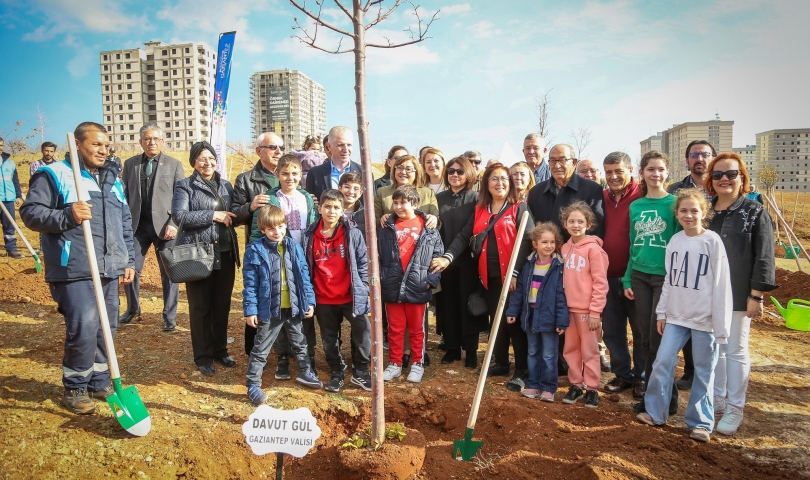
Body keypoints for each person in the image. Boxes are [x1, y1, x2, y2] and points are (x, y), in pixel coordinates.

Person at [20, 122, 135, 414]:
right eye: (96, 144)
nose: (103, 150)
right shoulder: (55, 174)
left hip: (108, 267)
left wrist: (128, 260)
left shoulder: (113, 180)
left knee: (107, 326)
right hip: (74, 267)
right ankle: (75, 387)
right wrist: (68, 215)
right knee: (83, 326)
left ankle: (98, 379)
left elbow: (124, 223)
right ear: (79, 144)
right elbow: (31, 213)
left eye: (106, 145)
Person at [637, 189, 732, 443]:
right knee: (662, 362)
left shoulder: (712, 242)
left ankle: (700, 422)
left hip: (704, 320)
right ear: (676, 214)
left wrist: (720, 324)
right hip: (676, 317)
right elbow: (669, 280)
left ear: (704, 213)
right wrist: (662, 312)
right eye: (683, 211)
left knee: (703, 370)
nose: (689, 215)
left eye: (694, 211)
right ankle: (656, 412)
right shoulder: (675, 241)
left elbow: (722, 284)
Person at [431, 163, 534, 391]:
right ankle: (501, 363)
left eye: (504, 178)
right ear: (486, 183)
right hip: (487, 276)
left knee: (511, 321)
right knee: (495, 320)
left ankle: (522, 370)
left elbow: (528, 241)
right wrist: (448, 257)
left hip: (512, 277)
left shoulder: (520, 207)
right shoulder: (481, 210)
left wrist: (515, 272)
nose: (500, 183)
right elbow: (463, 236)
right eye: (494, 179)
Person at [705, 153, 777, 436]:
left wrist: (756, 295)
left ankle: (736, 407)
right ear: (710, 180)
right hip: (708, 294)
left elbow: (765, 256)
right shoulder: (706, 210)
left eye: (731, 174)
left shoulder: (754, 211)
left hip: (738, 294)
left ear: (742, 178)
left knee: (735, 350)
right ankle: (718, 402)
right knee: (716, 351)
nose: (724, 179)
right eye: (718, 174)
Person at [527, 143, 605, 374]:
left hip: (579, 267)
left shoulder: (591, 189)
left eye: (563, 160)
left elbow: (597, 228)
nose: (558, 165)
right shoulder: (536, 192)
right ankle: (559, 365)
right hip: (548, 265)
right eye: (553, 160)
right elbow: (534, 231)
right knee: (554, 311)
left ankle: (587, 371)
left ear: (574, 161)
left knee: (581, 323)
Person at [171, 141, 239, 377]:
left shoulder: (226, 186)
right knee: (200, 308)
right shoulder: (185, 186)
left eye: (211, 158)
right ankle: (203, 356)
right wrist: (213, 215)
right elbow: (180, 217)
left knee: (222, 306)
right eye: (202, 158)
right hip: (198, 254)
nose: (207, 163)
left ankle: (220, 350)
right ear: (193, 162)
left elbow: (235, 214)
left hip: (225, 254)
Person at [622, 150, 681, 415]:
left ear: (667, 172)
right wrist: (627, 277)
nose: (655, 174)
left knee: (659, 340)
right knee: (644, 339)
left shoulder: (674, 204)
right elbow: (633, 244)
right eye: (650, 170)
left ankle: (667, 398)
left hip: (664, 279)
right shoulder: (636, 206)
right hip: (640, 277)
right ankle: (654, 393)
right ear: (642, 173)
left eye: (660, 169)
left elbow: (680, 246)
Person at [244, 205, 321, 405]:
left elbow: (304, 276)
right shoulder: (255, 250)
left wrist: (309, 300)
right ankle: (253, 384)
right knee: (261, 347)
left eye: (280, 226)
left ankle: (306, 372)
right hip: (270, 309)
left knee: (300, 341)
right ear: (262, 230)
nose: (276, 231)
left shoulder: (294, 247)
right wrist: (250, 309)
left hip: (294, 306)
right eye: (271, 229)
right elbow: (250, 283)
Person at [303, 189, 372, 393]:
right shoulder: (310, 235)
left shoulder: (352, 233)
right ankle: (337, 370)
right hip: (323, 298)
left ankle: (360, 370)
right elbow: (306, 266)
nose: (331, 211)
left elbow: (362, 262)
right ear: (320, 208)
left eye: (336, 207)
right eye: (327, 207)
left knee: (363, 330)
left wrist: (364, 287)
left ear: (343, 210)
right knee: (329, 338)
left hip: (350, 296)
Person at [119, 124, 185, 330]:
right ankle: (132, 308)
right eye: (147, 139)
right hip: (137, 226)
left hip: (166, 227)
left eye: (156, 139)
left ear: (162, 141)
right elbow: (124, 196)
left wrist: (174, 223)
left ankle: (169, 316)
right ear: (140, 142)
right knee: (130, 268)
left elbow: (181, 197)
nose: (151, 142)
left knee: (170, 272)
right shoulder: (130, 165)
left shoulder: (174, 165)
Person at [379, 185, 444, 383]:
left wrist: (430, 281)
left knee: (417, 329)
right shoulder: (386, 228)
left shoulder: (428, 229)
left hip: (418, 284)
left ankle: (417, 362)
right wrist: (383, 278)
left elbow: (438, 256)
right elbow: (378, 255)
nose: (398, 206)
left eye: (403, 202)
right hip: (392, 284)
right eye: (395, 202)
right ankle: (395, 363)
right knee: (395, 328)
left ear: (415, 204)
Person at [666, 140, 715, 389]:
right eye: (694, 154)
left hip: (711, 259)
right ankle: (689, 371)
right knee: (685, 316)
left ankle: (710, 374)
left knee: (707, 322)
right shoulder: (675, 190)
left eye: (705, 154)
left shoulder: (721, 186)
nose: (700, 159)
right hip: (684, 259)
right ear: (687, 160)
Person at [506, 222, 569, 401]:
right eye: (544, 242)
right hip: (530, 315)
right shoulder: (528, 265)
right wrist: (512, 311)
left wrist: (561, 321)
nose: (549, 246)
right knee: (533, 352)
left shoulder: (558, 266)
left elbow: (561, 296)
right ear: (535, 244)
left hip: (549, 317)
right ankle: (533, 384)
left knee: (549, 354)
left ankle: (549, 387)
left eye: (552, 242)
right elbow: (519, 292)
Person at [600, 152, 646, 399]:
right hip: (607, 277)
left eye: (618, 171)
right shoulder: (603, 197)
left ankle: (642, 377)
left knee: (640, 331)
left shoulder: (642, 197)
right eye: (608, 172)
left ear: (630, 170)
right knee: (613, 330)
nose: (614, 176)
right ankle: (622, 374)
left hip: (636, 278)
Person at [434, 157, 483, 368]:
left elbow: (469, 231)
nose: (454, 175)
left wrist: (451, 255)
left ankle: (470, 351)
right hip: (443, 263)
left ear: (469, 174)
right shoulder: (439, 198)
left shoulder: (477, 199)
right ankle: (452, 348)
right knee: (447, 306)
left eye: (460, 171)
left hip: (468, 262)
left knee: (468, 306)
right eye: (451, 171)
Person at [559, 202, 609, 408]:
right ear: (565, 224)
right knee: (570, 350)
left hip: (588, 312)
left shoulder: (594, 250)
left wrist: (595, 311)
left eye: (580, 221)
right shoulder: (564, 248)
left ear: (588, 224)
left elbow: (600, 282)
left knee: (589, 350)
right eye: (572, 221)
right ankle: (576, 385)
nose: (576, 225)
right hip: (568, 309)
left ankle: (592, 388)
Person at [249, 154, 318, 244]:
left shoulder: (308, 199)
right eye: (285, 174)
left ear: (300, 175)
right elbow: (257, 233)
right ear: (277, 175)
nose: (290, 178)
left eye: (294, 174)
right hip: (279, 253)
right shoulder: (267, 200)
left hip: (306, 253)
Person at [232, 132, 284, 241]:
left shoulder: (291, 178)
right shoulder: (245, 180)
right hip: (259, 248)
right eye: (273, 147)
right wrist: (250, 207)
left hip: (288, 246)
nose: (278, 152)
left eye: (282, 148)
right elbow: (234, 217)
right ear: (258, 151)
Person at [375, 155, 439, 228]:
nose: (403, 172)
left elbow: (437, 220)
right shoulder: (382, 192)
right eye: (399, 168)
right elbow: (373, 221)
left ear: (416, 172)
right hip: (391, 237)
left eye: (408, 169)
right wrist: (381, 219)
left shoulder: (428, 193)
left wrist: (434, 219)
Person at [306, 126, 362, 202]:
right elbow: (311, 207)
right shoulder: (315, 174)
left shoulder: (364, 173)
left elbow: (371, 206)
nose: (345, 150)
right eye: (341, 145)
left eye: (349, 145)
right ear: (329, 147)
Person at [0, 136, 24, 259]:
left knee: (9, 225)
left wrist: (18, 196)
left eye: (1, 145)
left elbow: (15, 181)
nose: (0, 148)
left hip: (8, 199)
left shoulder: (10, 163)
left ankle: (11, 249)